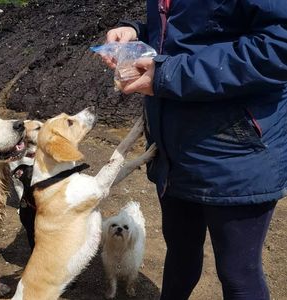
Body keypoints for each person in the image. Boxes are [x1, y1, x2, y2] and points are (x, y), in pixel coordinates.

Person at [101, 1, 287, 299]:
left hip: (236, 149)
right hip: (174, 149)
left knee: (238, 273)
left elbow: (278, 46)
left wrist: (169, 74)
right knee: (181, 255)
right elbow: (189, 30)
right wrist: (137, 32)